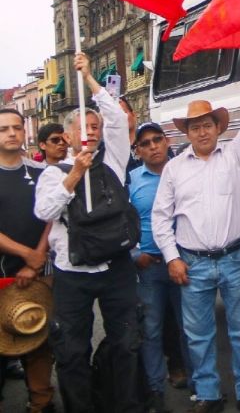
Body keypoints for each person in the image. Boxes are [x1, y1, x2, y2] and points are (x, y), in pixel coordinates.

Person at [152, 55, 240, 413]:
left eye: (207, 124)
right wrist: (172, 258)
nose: (202, 131)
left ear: (218, 127)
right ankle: (207, 395)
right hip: (192, 264)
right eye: (195, 126)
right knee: (199, 335)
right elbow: (161, 219)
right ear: (187, 133)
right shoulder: (174, 170)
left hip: (236, 259)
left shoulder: (236, 156)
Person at [34, 52, 141, 412]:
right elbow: (44, 211)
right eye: (83, 127)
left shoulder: (114, 159)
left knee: (126, 342)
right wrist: (74, 174)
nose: (92, 132)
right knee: (72, 349)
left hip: (116, 269)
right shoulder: (52, 173)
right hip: (72, 274)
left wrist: (90, 78)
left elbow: (116, 116)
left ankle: (125, 404)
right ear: (67, 135)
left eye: (94, 127)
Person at [129, 121, 193, 413]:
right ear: (138, 151)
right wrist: (134, 254)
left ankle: (199, 385)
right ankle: (155, 388)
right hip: (149, 266)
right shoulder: (131, 180)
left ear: (167, 142)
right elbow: (121, 222)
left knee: (189, 327)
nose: (153, 146)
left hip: (183, 263)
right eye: (146, 143)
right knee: (152, 329)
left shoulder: (184, 171)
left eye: (158, 140)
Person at [0, 107, 55, 413]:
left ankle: (41, 402)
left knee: (38, 339)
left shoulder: (41, 173)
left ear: (24, 132)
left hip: (39, 272)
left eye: (16, 128)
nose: (10, 133)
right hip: (3, 273)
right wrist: (25, 255)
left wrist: (36, 260)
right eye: (3, 128)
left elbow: (52, 218)